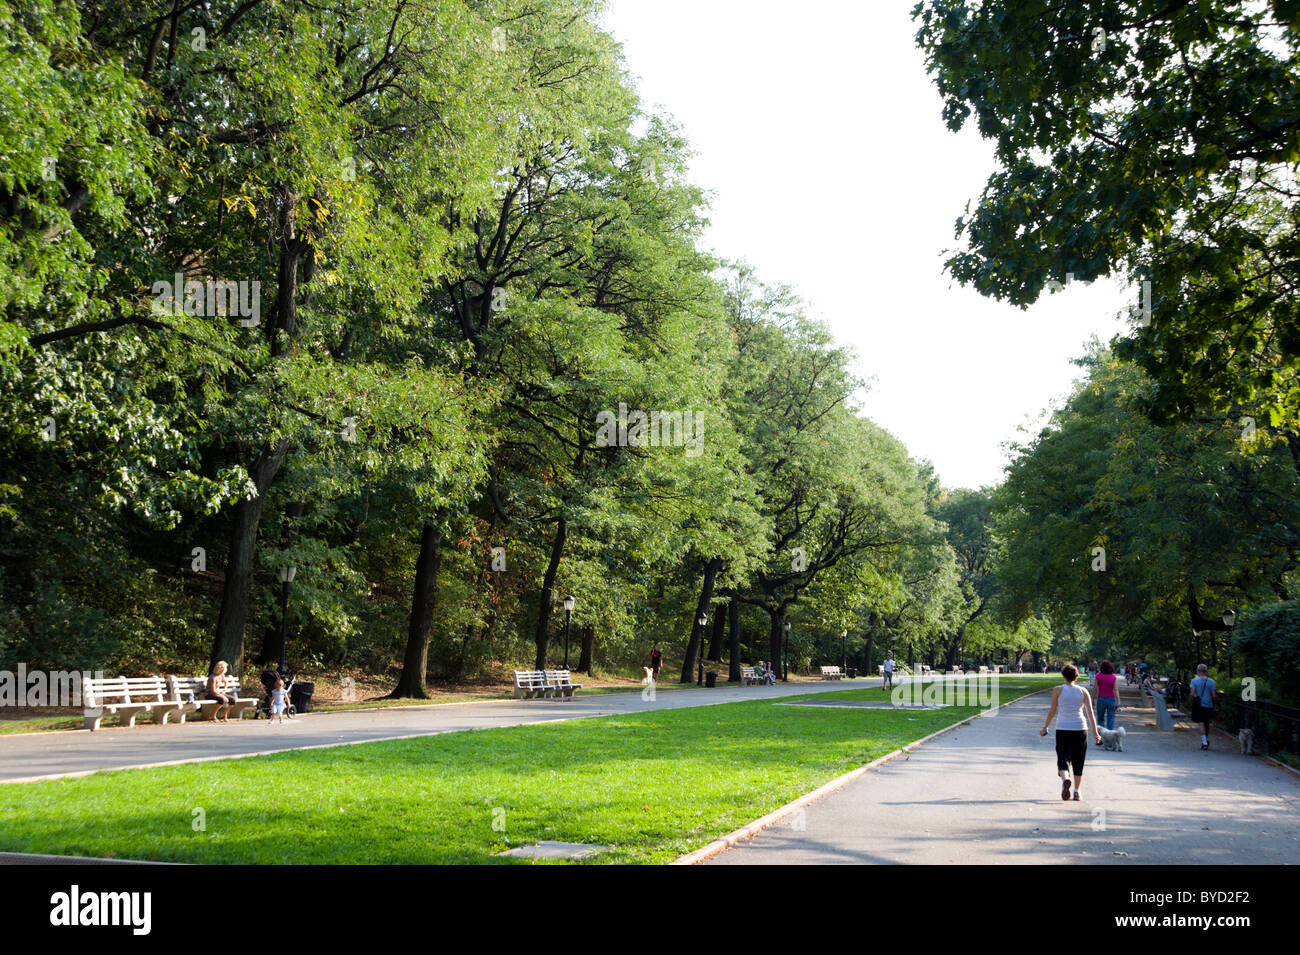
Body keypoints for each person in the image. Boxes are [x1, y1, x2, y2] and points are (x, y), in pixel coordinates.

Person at [1040, 664, 1102, 801]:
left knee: (1063, 758)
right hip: (1081, 729)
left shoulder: (1057, 690)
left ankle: (1065, 779)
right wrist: (1096, 733)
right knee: (1078, 761)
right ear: (1076, 676)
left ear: (1063, 676)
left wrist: (1045, 727)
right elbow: (1090, 714)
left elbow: (1052, 711)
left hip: (1063, 728)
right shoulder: (1083, 691)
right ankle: (1077, 791)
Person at [1189, 663, 1217, 751]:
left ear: (1198, 671)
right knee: (1207, 723)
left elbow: (1192, 694)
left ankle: (1204, 742)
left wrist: (1191, 701)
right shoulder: (1211, 681)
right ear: (1206, 671)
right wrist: (1216, 704)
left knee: (1201, 723)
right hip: (1209, 705)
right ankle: (1205, 740)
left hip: (1199, 705)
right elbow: (1214, 695)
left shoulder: (1194, 681)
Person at [1093, 660, 1118, 738]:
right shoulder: (1113, 677)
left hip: (1101, 699)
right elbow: (1116, 690)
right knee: (1110, 719)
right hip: (1112, 699)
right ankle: (1110, 738)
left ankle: (1102, 738)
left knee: (1100, 719)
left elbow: (1095, 688)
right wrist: (1119, 701)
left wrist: (1092, 699)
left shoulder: (1098, 676)